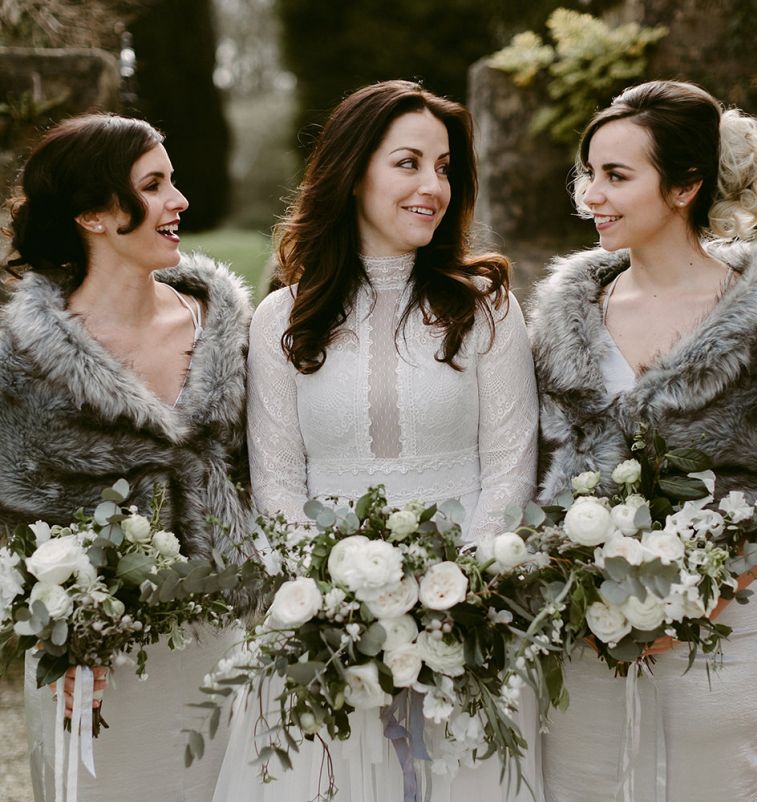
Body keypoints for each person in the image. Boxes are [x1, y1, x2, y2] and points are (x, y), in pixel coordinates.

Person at [214, 80, 539, 801]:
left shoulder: (487, 307)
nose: (434, 186)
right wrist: (332, 601)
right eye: (409, 163)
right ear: (354, 169)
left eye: (446, 167)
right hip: (324, 623)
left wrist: (458, 594)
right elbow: (276, 482)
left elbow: (512, 464)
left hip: (467, 611)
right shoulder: (281, 320)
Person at [527, 80, 757, 801]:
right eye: (589, 172)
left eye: (617, 176)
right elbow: (540, 466)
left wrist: (685, 603)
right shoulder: (564, 319)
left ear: (684, 187)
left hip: (724, 624)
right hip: (583, 629)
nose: (592, 194)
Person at [0, 114, 255, 802]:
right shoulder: (17, 356)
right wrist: (64, 627)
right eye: (154, 185)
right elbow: (14, 524)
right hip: (97, 661)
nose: (180, 202)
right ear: (93, 213)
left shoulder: (226, 327)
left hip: (232, 639)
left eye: (172, 181)